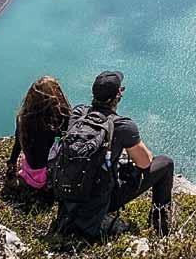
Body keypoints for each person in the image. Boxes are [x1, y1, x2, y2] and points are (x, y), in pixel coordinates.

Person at [55, 71, 174, 240]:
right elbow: (145, 163)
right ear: (118, 95)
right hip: (100, 201)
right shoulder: (122, 125)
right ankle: (160, 226)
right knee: (166, 163)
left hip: (68, 194)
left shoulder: (78, 113)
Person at [5, 76, 71, 194]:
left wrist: (12, 162)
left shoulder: (23, 118)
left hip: (31, 173)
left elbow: (17, 144)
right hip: (51, 173)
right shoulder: (61, 119)